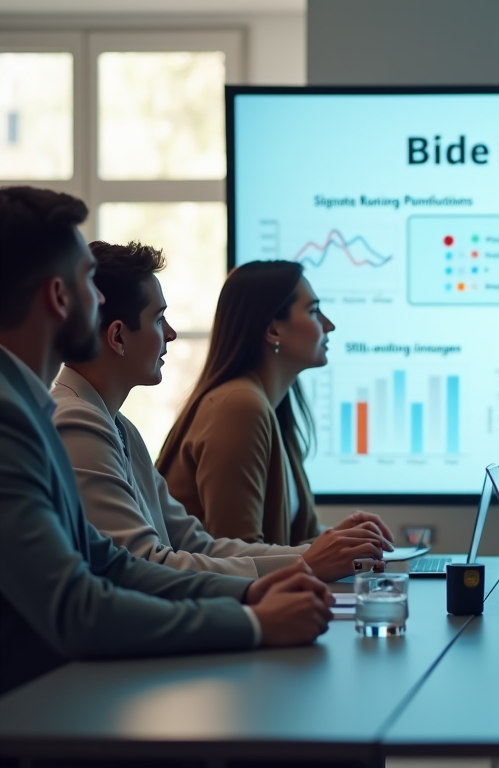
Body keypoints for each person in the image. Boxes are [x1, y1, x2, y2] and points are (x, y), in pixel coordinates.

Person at [0, 186, 336, 695]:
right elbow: (81, 608)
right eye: (89, 282)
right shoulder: (21, 421)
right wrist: (255, 621)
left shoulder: (55, 416)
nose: (99, 298)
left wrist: (251, 592)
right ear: (59, 297)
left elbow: (118, 564)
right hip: (38, 707)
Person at [52, 240, 394, 580]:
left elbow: (199, 545)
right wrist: (306, 564)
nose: (170, 334)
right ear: (118, 337)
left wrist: (321, 551)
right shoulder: (78, 422)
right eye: (159, 320)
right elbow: (143, 565)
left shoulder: (119, 426)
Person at [156, 261, 352, 547]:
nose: (328, 325)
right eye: (312, 311)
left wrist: (345, 539)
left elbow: (296, 541)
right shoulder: (239, 406)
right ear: (273, 330)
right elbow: (241, 554)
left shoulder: (272, 407)